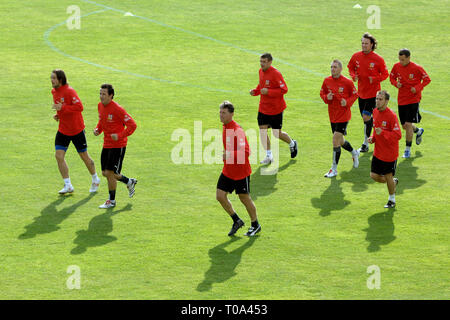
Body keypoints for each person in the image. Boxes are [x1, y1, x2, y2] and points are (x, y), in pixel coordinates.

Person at [51, 69, 101, 194]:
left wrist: (63, 108)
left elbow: (79, 107)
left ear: (60, 79)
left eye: (54, 78)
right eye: (51, 78)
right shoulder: (54, 91)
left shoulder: (69, 91)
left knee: (84, 156)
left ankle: (95, 179)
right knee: (58, 156)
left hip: (76, 130)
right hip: (63, 129)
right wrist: (59, 114)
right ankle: (68, 185)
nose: (51, 80)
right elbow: (61, 107)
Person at [216, 101, 261, 237]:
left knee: (244, 198)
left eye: (224, 113)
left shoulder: (237, 130)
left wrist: (228, 154)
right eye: (220, 112)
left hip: (241, 172)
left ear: (231, 114)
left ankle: (255, 224)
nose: (221, 115)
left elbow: (246, 152)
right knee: (220, 196)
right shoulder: (225, 127)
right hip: (228, 170)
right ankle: (236, 220)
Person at [93, 84, 137, 208]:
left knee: (110, 173)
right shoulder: (100, 106)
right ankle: (129, 181)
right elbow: (102, 121)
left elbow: (133, 125)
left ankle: (111, 201)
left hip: (118, 145)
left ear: (111, 95)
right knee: (105, 173)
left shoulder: (118, 109)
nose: (101, 96)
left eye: (104, 94)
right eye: (100, 93)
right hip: (106, 144)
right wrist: (97, 129)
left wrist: (119, 135)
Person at [250, 53, 297, 165]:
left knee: (277, 134)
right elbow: (261, 86)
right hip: (263, 108)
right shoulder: (260, 71)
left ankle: (292, 143)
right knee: (262, 131)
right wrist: (255, 92)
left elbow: (284, 89)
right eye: (261, 61)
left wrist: (269, 92)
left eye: (264, 62)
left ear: (270, 62)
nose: (262, 64)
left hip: (276, 109)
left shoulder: (276, 74)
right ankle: (269, 155)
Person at [348, 32, 389, 153]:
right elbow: (350, 67)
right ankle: (374, 130)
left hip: (373, 94)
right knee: (366, 118)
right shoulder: (356, 56)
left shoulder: (378, 59)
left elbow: (385, 74)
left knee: (366, 117)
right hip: (361, 93)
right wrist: (353, 75)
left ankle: (365, 144)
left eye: (366, 43)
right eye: (362, 43)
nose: (364, 45)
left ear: (372, 45)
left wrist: (375, 79)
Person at [320, 60, 360, 178]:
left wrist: (346, 102)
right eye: (331, 67)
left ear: (340, 69)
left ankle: (334, 169)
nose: (332, 69)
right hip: (332, 115)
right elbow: (322, 93)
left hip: (344, 115)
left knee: (335, 140)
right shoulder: (327, 81)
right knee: (340, 141)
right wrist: (327, 97)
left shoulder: (347, 82)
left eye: (335, 67)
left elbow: (355, 94)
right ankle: (354, 153)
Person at [389, 48, 431, 158]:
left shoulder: (417, 68)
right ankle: (418, 130)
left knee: (407, 125)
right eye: (399, 59)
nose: (401, 62)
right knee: (404, 126)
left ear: (408, 58)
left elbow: (427, 79)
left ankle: (407, 149)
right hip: (401, 99)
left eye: (403, 60)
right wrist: (395, 83)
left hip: (414, 99)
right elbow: (391, 77)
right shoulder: (396, 66)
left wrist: (417, 88)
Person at [368, 91, 402, 208]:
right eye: (377, 98)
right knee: (373, 176)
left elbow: (398, 135)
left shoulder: (392, 116)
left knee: (388, 176)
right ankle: (393, 182)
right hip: (378, 152)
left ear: (386, 101)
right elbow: (375, 130)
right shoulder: (375, 112)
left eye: (380, 99)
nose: (377, 101)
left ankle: (392, 199)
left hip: (389, 154)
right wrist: (373, 138)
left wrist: (383, 133)